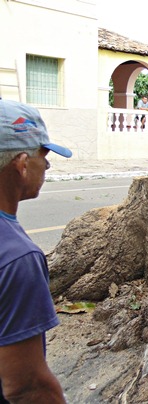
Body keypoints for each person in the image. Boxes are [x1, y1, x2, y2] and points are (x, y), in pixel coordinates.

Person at [0, 99, 72, 403]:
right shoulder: (17, 258)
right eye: (44, 156)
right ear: (22, 163)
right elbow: (26, 387)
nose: (47, 165)